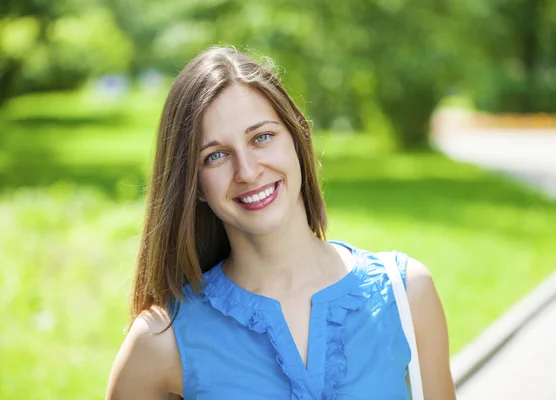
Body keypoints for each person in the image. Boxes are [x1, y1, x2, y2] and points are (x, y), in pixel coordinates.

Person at [106, 46, 456, 399]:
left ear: (297, 137)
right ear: (193, 184)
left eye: (262, 137)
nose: (247, 171)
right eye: (216, 156)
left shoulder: (406, 293)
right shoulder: (161, 342)